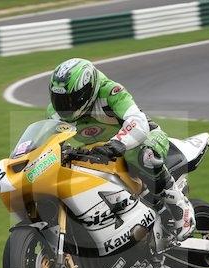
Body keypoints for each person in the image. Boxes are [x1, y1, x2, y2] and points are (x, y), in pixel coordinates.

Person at [47, 58, 195, 241]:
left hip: (142, 137)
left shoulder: (111, 92)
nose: (64, 106)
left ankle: (180, 207)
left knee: (146, 156)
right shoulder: (54, 112)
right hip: (99, 152)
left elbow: (137, 121)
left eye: (70, 100)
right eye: (59, 100)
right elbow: (51, 141)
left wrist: (118, 143)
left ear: (87, 91)